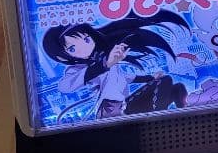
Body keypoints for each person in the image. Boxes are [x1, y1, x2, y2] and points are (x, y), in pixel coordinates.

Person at [42, 9, 189, 119]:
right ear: (62, 57)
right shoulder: (78, 69)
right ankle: (160, 121)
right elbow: (64, 86)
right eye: (72, 48)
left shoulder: (104, 59)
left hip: (124, 105)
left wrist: (150, 78)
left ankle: (179, 114)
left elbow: (124, 77)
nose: (84, 48)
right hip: (110, 111)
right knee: (165, 84)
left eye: (86, 40)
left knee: (173, 86)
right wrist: (106, 64)